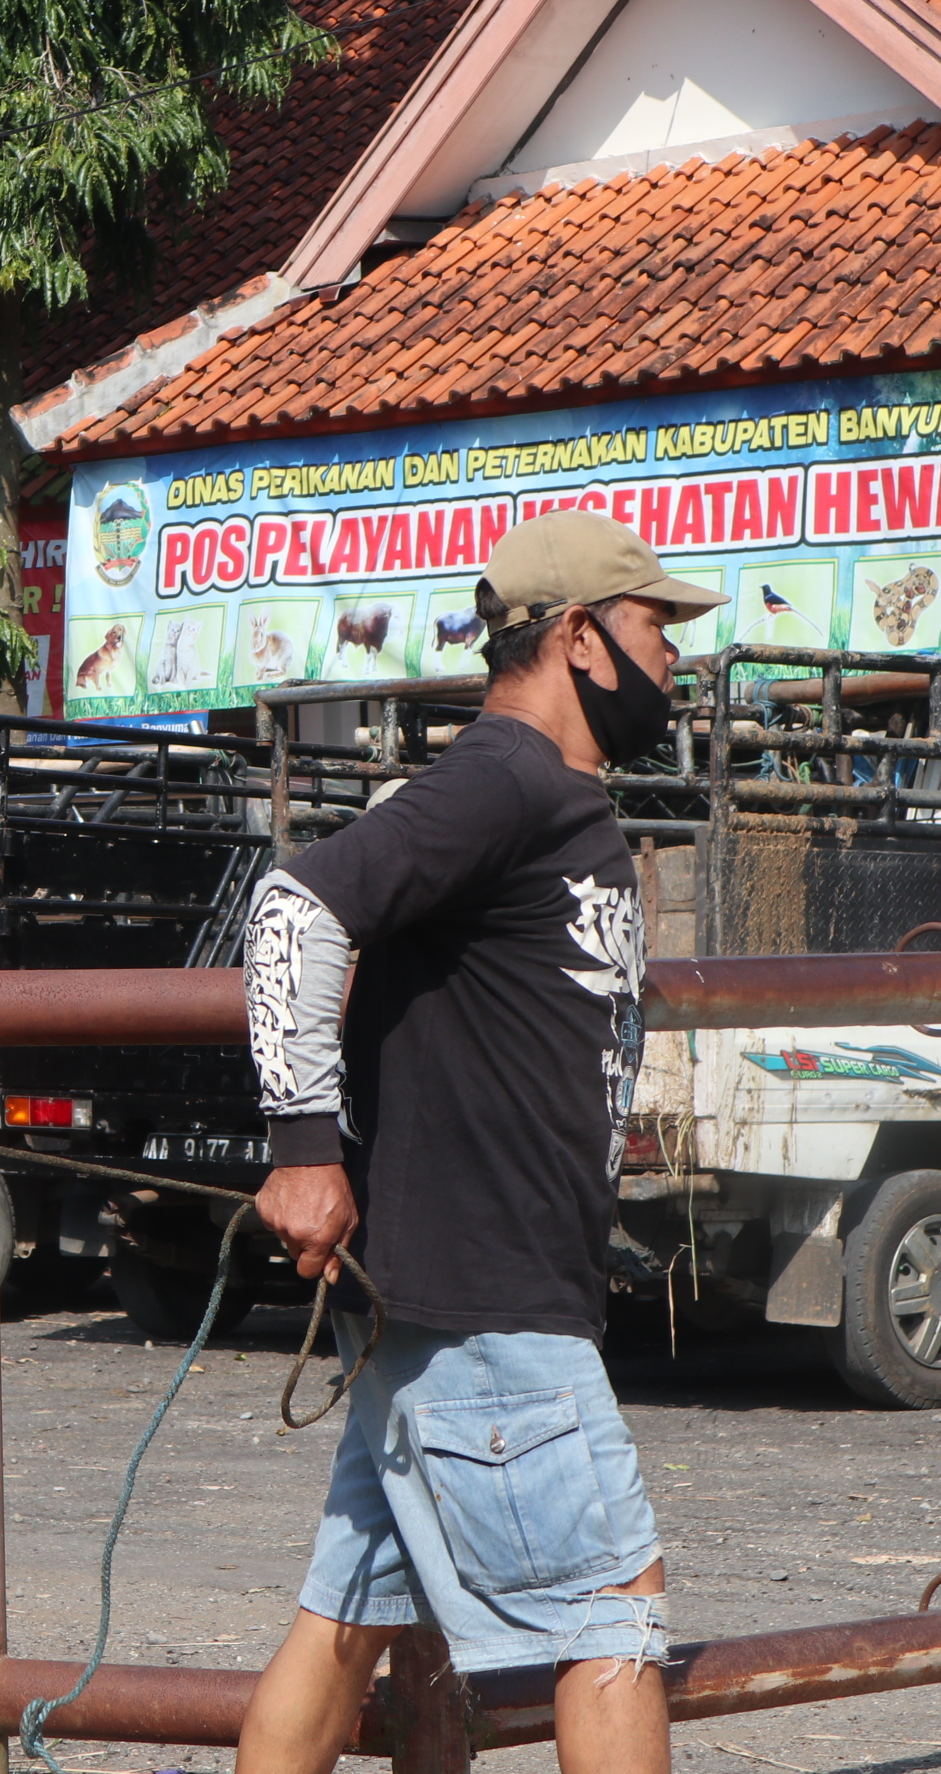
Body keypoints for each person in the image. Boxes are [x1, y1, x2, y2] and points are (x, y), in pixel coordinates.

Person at [235, 511, 725, 1774]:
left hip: (442, 1291)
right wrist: (304, 1145)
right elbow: (297, 904)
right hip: (485, 1296)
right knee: (616, 1607)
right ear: (577, 636)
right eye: (654, 626)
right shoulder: (501, 779)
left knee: (345, 1624)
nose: (674, 658)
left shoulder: (545, 799)